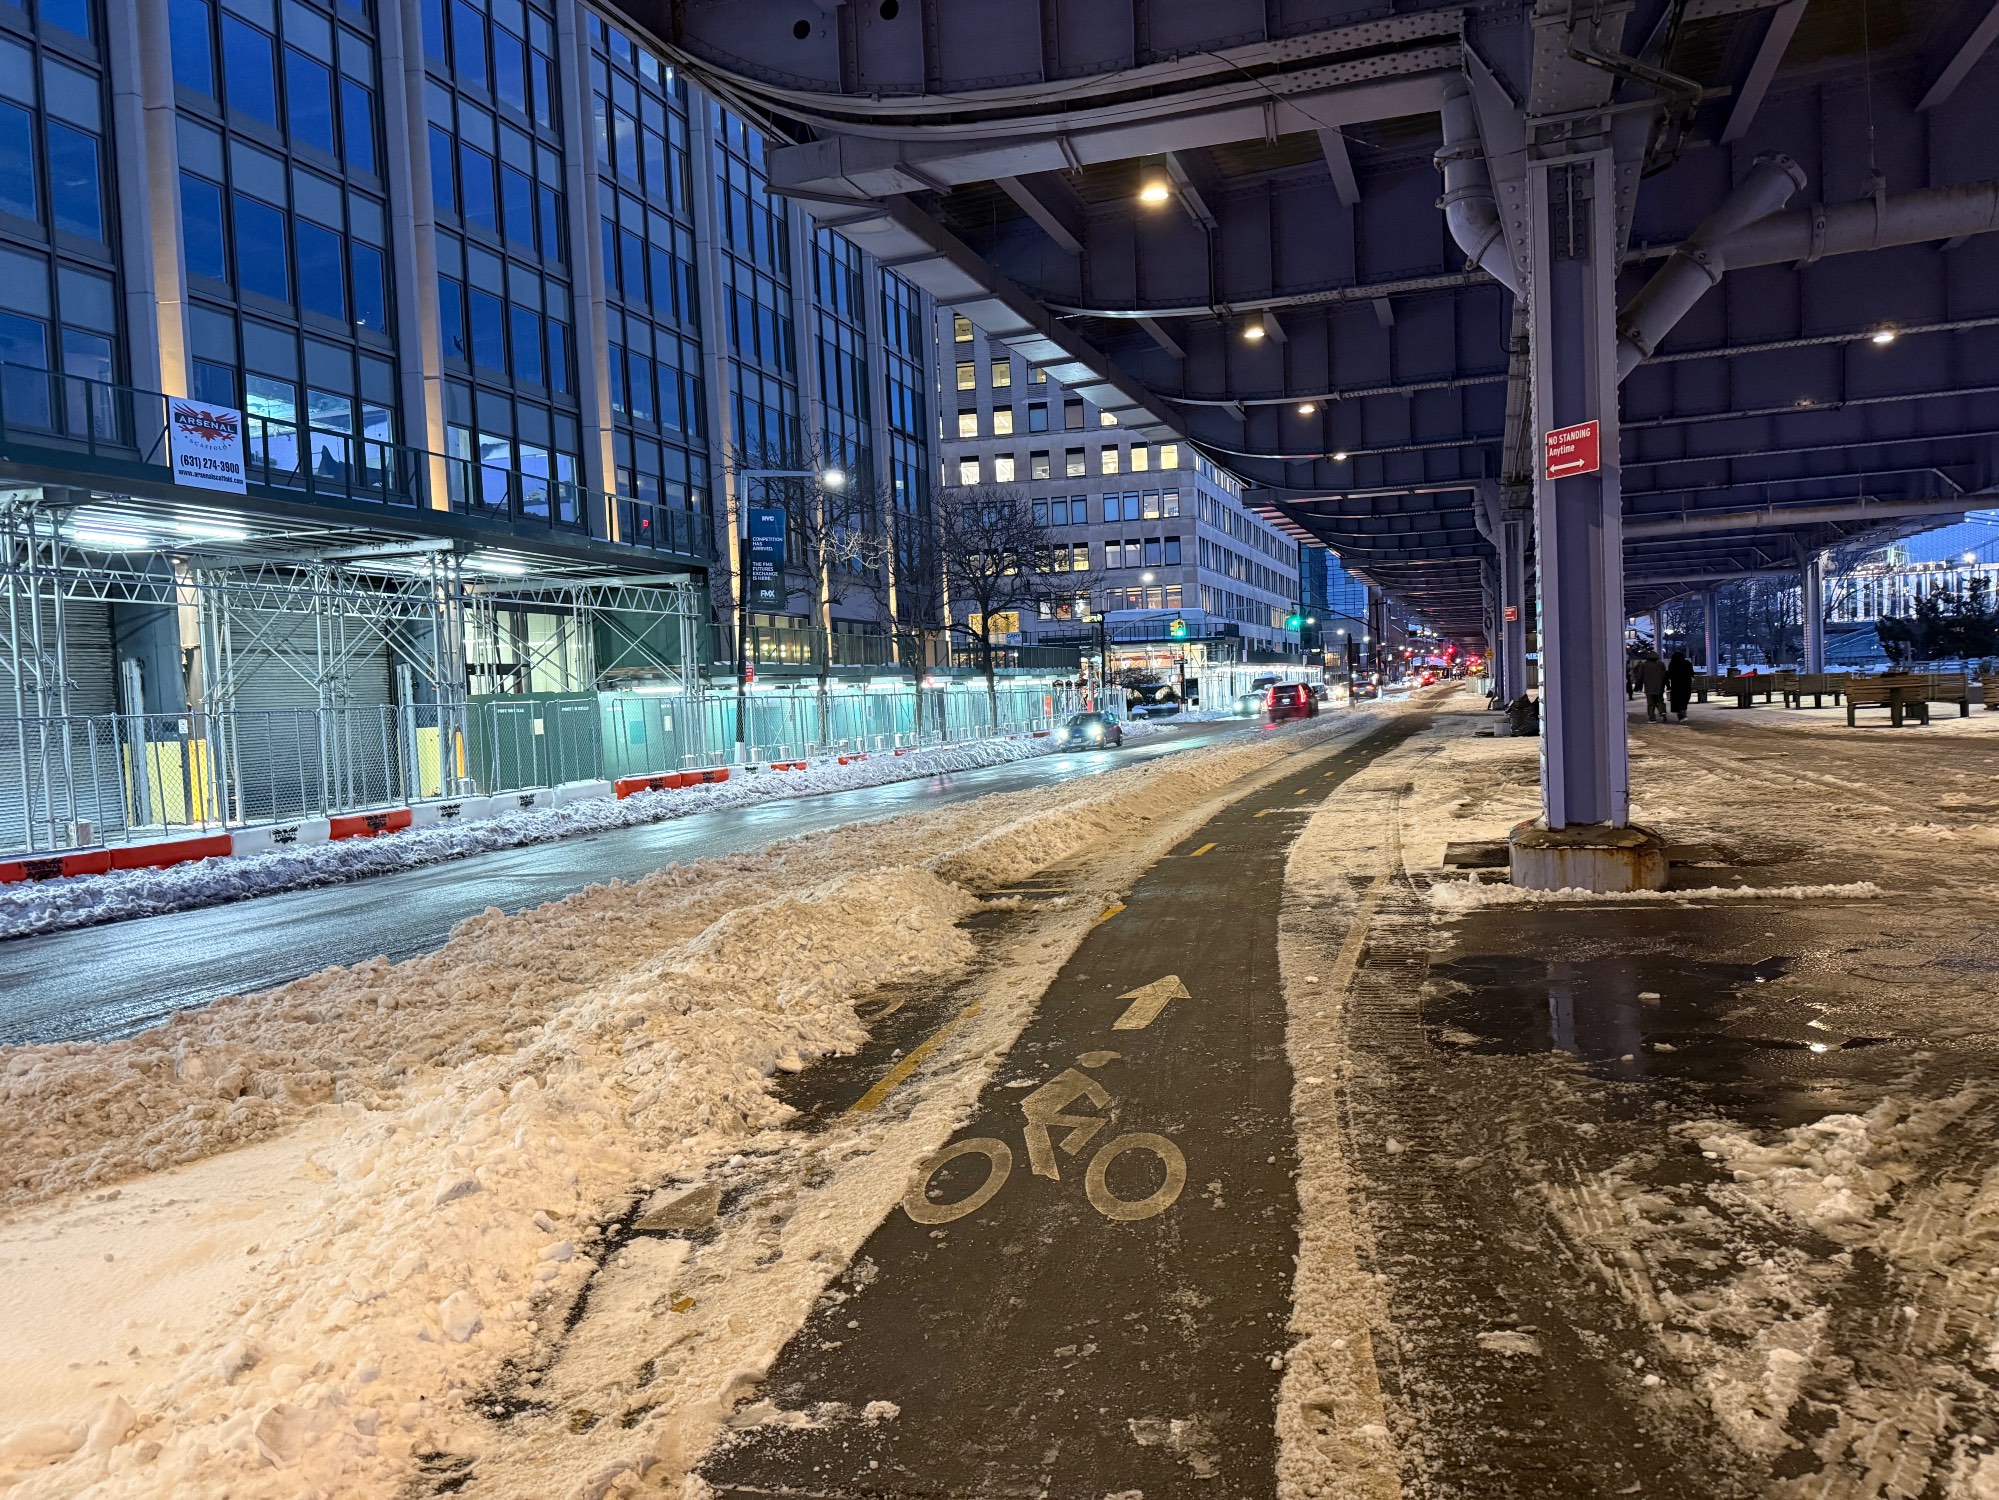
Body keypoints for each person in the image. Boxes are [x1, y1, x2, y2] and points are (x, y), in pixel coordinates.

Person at [1639, 649, 1669, 722]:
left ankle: (1652, 718)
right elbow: (1665, 676)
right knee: (1660, 701)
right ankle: (1662, 712)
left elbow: (1640, 676)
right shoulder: (1661, 664)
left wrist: (1638, 686)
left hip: (1649, 687)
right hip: (1659, 687)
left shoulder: (1644, 665)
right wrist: (1668, 685)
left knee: (1651, 703)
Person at [1667, 648, 1695, 721]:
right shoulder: (1687, 663)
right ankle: (1683, 713)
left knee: (1677, 700)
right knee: (1684, 699)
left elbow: (1669, 675)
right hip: (1686, 684)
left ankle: (1680, 714)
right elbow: (1692, 673)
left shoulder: (1672, 664)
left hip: (1676, 685)